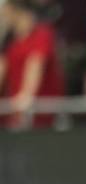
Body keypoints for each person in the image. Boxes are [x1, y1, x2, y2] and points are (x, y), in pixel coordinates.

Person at [0, 0, 64, 129]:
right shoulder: (10, 41)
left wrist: (25, 97)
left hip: (40, 116)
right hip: (14, 118)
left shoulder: (42, 34)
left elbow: (35, 65)